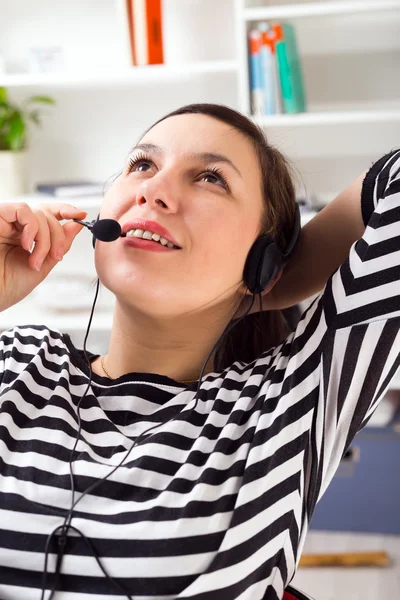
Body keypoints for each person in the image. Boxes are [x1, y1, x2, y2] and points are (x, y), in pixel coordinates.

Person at [0, 103, 398, 600]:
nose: (153, 189)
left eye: (210, 178)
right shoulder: (16, 362)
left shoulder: (287, 400)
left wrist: (270, 285)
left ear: (263, 258)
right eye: (143, 165)